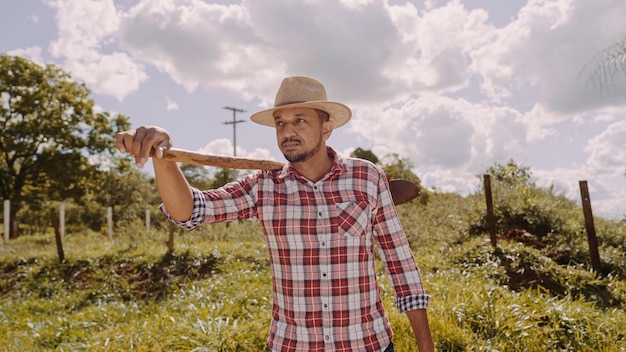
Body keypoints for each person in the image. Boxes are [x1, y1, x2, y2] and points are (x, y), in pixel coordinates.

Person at [115, 76, 434, 352]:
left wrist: (426, 346)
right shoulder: (263, 187)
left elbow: (400, 263)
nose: (287, 131)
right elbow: (190, 211)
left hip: (368, 343)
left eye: (300, 120)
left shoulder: (366, 177)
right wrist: (162, 157)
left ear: (327, 129)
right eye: (280, 123)